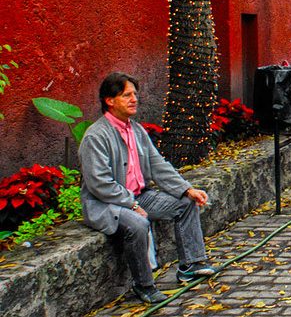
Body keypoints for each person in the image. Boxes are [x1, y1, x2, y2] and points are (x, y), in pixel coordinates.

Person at [78, 72, 215, 304]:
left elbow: (157, 164)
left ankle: (191, 265)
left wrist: (186, 189)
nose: (134, 99)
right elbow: (99, 183)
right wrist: (131, 204)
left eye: (135, 95)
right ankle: (144, 285)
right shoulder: (96, 136)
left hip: (140, 196)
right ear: (109, 101)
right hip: (107, 204)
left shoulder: (136, 130)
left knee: (185, 203)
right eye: (126, 95)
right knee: (138, 224)